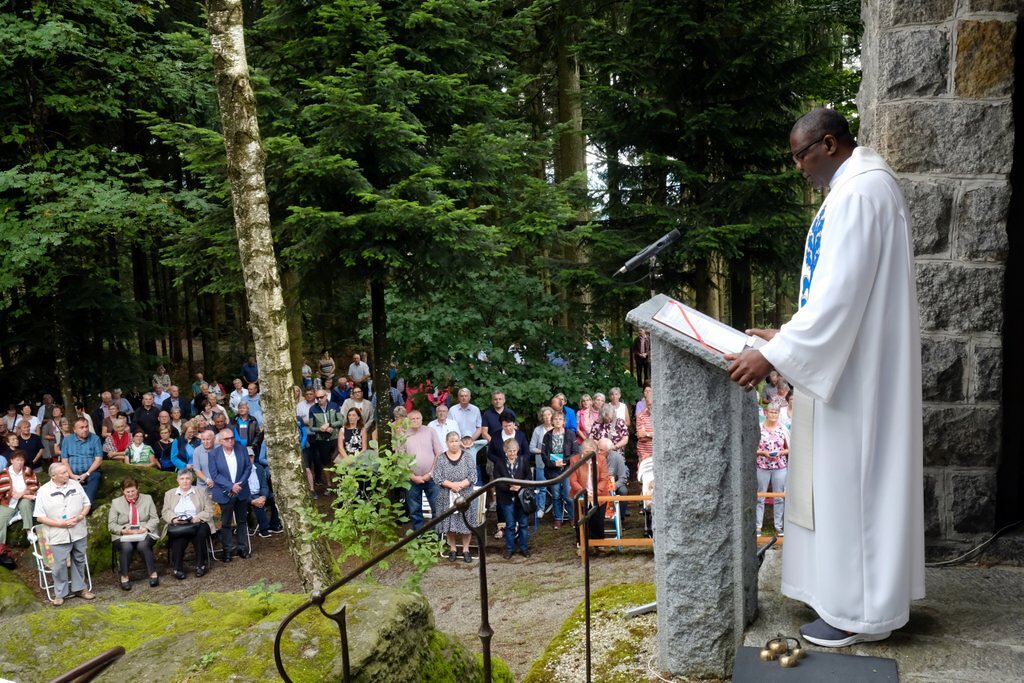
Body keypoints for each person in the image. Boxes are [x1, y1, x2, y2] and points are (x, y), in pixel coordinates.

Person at [724, 108, 924, 648]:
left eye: (801, 156)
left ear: (829, 144)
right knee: (841, 486)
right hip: (849, 365)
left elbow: (838, 298)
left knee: (853, 486)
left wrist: (775, 355)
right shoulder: (857, 188)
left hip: (858, 381)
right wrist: (786, 335)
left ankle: (857, 612)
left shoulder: (859, 193)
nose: (798, 167)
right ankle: (843, 597)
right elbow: (836, 291)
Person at [33, 462, 94, 605]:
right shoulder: (43, 491)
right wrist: (60, 524)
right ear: (53, 476)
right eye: (63, 473)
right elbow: (39, 517)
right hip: (57, 534)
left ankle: (80, 589)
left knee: (79, 559)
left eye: (67, 471)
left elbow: (87, 504)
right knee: (59, 565)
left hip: (78, 531)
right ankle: (60, 593)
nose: (67, 474)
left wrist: (81, 516)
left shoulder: (76, 485)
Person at [432, 432, 478, 562]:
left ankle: (466, 550)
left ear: (460, 442)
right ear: (447, 443)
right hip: (446, 496)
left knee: (466, 523)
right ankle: (452, 549)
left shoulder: (467, 457)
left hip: (465, 495)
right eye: (451, 441)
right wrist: (451, 485)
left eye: (456, 441)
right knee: (449, 523)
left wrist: (460, 485)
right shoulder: (441, 458)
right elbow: (437, 476)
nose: (454, 444)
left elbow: (473, 475)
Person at [108, 477, 160, 590]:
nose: (131, 494)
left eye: (133, 491)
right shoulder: (116, 503)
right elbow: (111, 525)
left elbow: (155, 519)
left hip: (144, 531)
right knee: (126, 547)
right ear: (123, 491)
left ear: (138, 489)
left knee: (143, 545)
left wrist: (146, 528)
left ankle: (152, 573)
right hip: (124, 534)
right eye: (128, 492)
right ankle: (124, 577)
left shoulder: (147, 499)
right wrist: (123, 530)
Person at [208, 429, 252, 561]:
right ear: (220, 441)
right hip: (224, 492)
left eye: (232, 438)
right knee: (226, 522)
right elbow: (214, 474)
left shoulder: (241, 449)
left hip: (241, 490)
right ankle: (227, 550)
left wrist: (239, 484)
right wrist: (230, 486)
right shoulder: (214, 454)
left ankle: (243, 548)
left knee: (242, 521)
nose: (230, 441)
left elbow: (248, 468)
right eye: (226, 439)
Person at [162, 469, 213, 578]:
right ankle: (177, 568)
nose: (185, 481)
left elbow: (209, 510)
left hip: (199, 522)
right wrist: (174, 519)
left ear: (192, 479)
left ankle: (200, 565)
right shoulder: (169, 494)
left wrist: (198, 517)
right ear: (177, 480)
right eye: (182, 479)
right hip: (179, 524)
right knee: (178, 538)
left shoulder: (201, 491)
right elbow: (165, 512)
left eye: (187, 478)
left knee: (199, 535)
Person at [400, 410, 443, 530]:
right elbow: (400, 459)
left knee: (437, 507)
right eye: (412, 419)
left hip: (431, 477)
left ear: (422, 419)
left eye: (417, 418)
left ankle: (436, 535)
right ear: (408, 420)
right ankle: (419, 536)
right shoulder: (403, 435)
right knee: (415, 511)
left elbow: (438, 453)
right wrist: (412, 476)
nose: (415, 421)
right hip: (412, 479)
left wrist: (430, 473)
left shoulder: (430, 431)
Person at [492, 438, 530, 559]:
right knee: (509, 525)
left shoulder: (523, 461)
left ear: (517, 450)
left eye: (514, 451)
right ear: (505, 451)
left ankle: (524, 548)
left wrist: (520, 486)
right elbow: (497, 481)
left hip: (521, 498)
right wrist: (509, 488)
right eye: (510, 451)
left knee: (523, 524)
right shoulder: (499, 463)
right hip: (506, 498)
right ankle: (510, 549)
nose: (512, 453)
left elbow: (529, 477)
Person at [542, 412, 580, 529]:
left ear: (564, 422)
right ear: (552, 421)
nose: (558, 421)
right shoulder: (547, 436)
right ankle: (558, 519)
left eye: (560, 419)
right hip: (553, 470)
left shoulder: (570, 434)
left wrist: (564, 461)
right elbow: (544, 454)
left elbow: (576, 452)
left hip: (567, 469)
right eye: (555, 419)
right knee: (556, 495)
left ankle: (572, 518)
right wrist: (554, 463)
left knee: (568, 495)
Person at [569, 439, 611, 542]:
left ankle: (599, 544)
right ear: (582, 450)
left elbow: (604, 478)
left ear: (595, 451)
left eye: (591, 452)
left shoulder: (601, 459)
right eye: (586, 451)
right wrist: (584, 492)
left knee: (598, 521)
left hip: (599, 495)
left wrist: (595, 492)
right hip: (580, 494)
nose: (588, 454)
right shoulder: (574, 460)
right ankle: (581, 543)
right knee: (581, 521)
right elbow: (573, 480)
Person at [0, 451, 39, 560]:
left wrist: (22, 494)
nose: (20, 462)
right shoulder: (4, 473)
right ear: (11, 460)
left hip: (24, 499)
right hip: (9, 501)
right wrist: (16, 494)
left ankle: (29, 531)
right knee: (1, 519)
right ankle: (1, 547)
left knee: (26, 503)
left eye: (22, 460)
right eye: (17, 460)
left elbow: (34, 487)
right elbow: (3, 490)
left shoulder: (28, 471)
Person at [756, 406, 789, 536]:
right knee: (760, 496)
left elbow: (789, 448)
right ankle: (758, 526)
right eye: (771, 412)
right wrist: (763, 453)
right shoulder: (759, 428)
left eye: (776, 412)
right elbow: (753, 448)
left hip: (780, 466)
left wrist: (781, 452)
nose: (774, 414)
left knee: (779, 497)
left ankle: (778, 526)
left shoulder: (783, 429)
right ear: (766, 413)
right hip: (762, 466)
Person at [59, 418, 104, 504]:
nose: (85, 429)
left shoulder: (95, 439)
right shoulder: (67, 440)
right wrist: (72, 475)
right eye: (82, 427)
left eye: (86, 426)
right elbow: (64, 461)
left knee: (95, 476)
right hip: (71, 473)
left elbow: (99, 460)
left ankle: (87, 505)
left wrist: (87, 473)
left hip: (91, 473)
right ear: (75, 430)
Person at [308, 390, 343, 489]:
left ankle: (339, 483)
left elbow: (341, 421)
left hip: (335, 437)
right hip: (321, 439)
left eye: (321, 397)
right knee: (325, 462)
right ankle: (329, 485)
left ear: (326, 396)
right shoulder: (313, 409)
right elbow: (311, 427)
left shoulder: (334, 405)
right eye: (317, 398)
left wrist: (330, 425)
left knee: (337, 460)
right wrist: (321, 429)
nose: (319, 399)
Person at [249, 443, 282, 538]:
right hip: (249, 496)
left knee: (276, 499)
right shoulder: (239, 471)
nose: (249, 459)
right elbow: (242, 490)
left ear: (253, 457)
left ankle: (274, 524)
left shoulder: (259, 468)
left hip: (260, 493)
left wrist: (263, 496)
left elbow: (264, 485)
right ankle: (263, 529)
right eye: (246, 457)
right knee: (258, 504)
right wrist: (253, 500)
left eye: (251, 456)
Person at [529, 407, 554, 518]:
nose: (547, 417)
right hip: (541, 463)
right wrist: (543, 452)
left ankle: (557, 511)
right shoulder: (537, 430)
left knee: (557, 488)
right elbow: (531, 448)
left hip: (556, 463)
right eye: (544, 415)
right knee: (541, 487)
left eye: (549, 415)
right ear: (541, 417)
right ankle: (540, 508)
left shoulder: (558, 428)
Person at [636, 385, 654, 463]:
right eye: (649, 404)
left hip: (658, 452)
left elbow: (662, 435)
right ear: (646, 403)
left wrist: (647, 434)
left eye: (652, 404)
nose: (650, 407)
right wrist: (653, 435)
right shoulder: (641, 416)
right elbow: (641, 437)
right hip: (644, 453)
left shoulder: (661, 417)